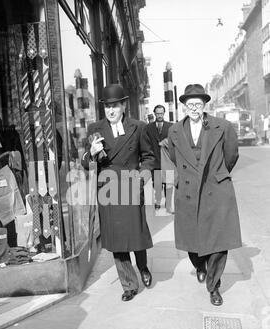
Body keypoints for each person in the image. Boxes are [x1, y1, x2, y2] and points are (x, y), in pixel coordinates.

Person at [167, 84, 242, 306]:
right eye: (190, 104)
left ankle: (214, 287)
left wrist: (217, 175)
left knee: (218, 243)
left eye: (198, 104)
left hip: (216, 191)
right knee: (193, 241)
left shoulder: (223, 127)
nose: (194, 108)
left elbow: (232, 155)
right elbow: (174, 157)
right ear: (183, 106)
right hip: (188, 192)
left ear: (205, 105)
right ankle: (199, 265)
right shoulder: (174, 131)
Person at [81, 84, 155, 302]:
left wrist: (141, 180)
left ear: (124, 106)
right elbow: (85, 162)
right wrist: (91, 154)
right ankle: (129, 285)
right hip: (108, 191)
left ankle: (142, 266)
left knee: (136, 234)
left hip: (131, 186)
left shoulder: (138, 127)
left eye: (115, 106)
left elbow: (149, 158)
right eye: (107, 107)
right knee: (116, 240)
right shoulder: (95, 129)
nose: (111, 111)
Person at [146, 105, 173, 211]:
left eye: (161, 113)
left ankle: (168, 204)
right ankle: (158, 201)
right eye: (157, 113)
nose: (159, 115)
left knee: (169, 184)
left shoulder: (171, 127)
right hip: (155, 160)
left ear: (164, 113)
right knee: (157, 185)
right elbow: (146, 143)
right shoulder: (149, 127)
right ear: (154, 113)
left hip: (168, 160)